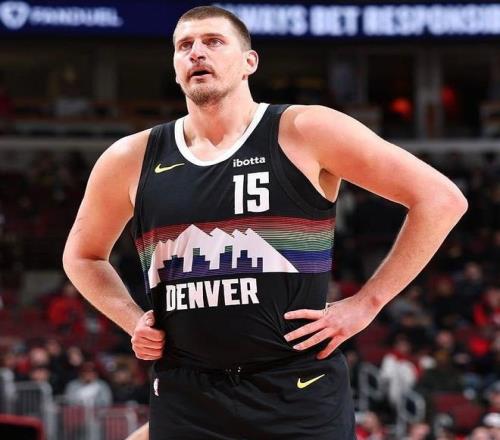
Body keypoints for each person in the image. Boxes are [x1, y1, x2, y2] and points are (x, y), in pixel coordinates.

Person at [62, 5, 468, 440]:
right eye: (185, 46)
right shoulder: (131, 157)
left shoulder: (305, 129)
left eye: (213, 42)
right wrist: (133, 320)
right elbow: (82, 256)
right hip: (186, 392)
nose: (197, 52)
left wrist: (367, 303)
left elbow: (441, 199)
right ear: (176, 69)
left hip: (297, 387)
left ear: (249, 62)